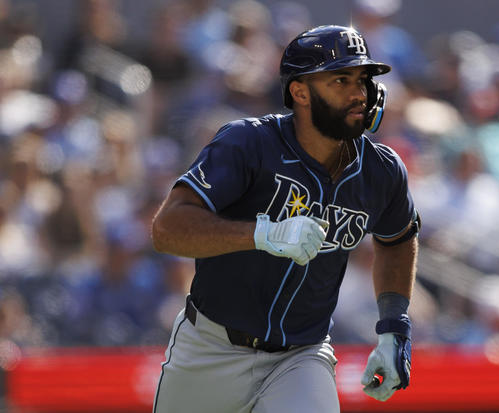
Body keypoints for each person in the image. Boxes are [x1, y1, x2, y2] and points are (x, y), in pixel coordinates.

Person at [150, 25, 420, 413]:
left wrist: (394, 326)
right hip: (211, 348)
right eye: (341, 79)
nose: (359, 92)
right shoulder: (248, 143)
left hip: (301, 356)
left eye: (363, 79)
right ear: (300, 91)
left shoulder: (382, 170)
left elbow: (397, 239)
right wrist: (260, 233)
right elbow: (166, 230)